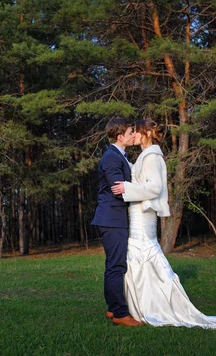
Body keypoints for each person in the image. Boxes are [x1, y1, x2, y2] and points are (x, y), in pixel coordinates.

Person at [111, 119, 216, 331]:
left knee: (143, 254)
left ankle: (151, 307)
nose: (134, 135)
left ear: (147, 133)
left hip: (142, 216)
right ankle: (139, 305)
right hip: (138, 213)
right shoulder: (145, 156)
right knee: (138, 259)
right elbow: (138, 176)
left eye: (137, 131)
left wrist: (127, 189)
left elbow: (155, 188)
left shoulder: (152, 156)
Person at [91, 117, 144, 327]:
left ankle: (113, 309)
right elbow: (117, 189)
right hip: (112, 219)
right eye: (131, 132)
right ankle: (121, 313)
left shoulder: (118, 155)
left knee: (113, 265)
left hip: (113, 218)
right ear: (120, 136)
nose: (133, 135)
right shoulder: (111, 157)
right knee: (116, 266)